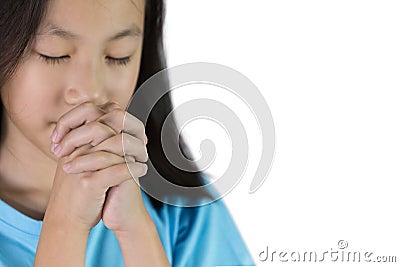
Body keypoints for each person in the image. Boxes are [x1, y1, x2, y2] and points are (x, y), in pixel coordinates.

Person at [0, 0, 255, 266]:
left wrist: (137, 233)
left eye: (118, 55)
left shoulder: (181, 209)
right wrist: (66, 226)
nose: (92, 92)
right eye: (54, 54)